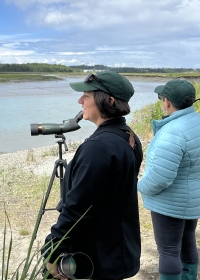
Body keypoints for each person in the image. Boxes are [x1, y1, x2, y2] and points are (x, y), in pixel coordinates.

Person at [41, 71, 143, 280]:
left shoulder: (98, 148)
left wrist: (53, 249)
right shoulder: (129, 137)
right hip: (116, 249)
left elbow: (78, 209)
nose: (80, 100)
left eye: (86, 96)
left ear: (109, 101)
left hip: (95, 257)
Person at [138, 79, 200, 280]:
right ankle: (189, 277)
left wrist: (139, 185)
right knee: (187, 241)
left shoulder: (173, 132)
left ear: (167, 102)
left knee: (168, 250)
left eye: (161, 98)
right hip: (192, 199)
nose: (161, 102)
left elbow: (159, 179)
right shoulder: (198, 121)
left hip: (171, 203)